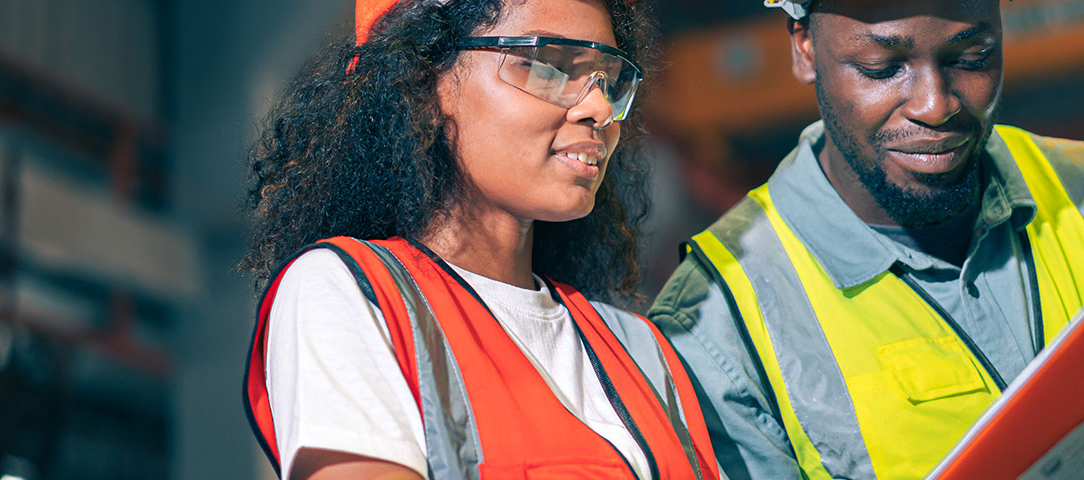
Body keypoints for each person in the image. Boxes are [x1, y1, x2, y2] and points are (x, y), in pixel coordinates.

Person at [646, 0, 1084, 479]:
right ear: (803, 47)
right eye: (884, 68)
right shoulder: (718, 322)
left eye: (971, 55)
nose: (935, 104)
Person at [238, 0, 722, 478]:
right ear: (424, 88)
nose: (598, 109)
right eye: (549, 65)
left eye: (610, 79)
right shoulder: (353, 293)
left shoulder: (645, 353)